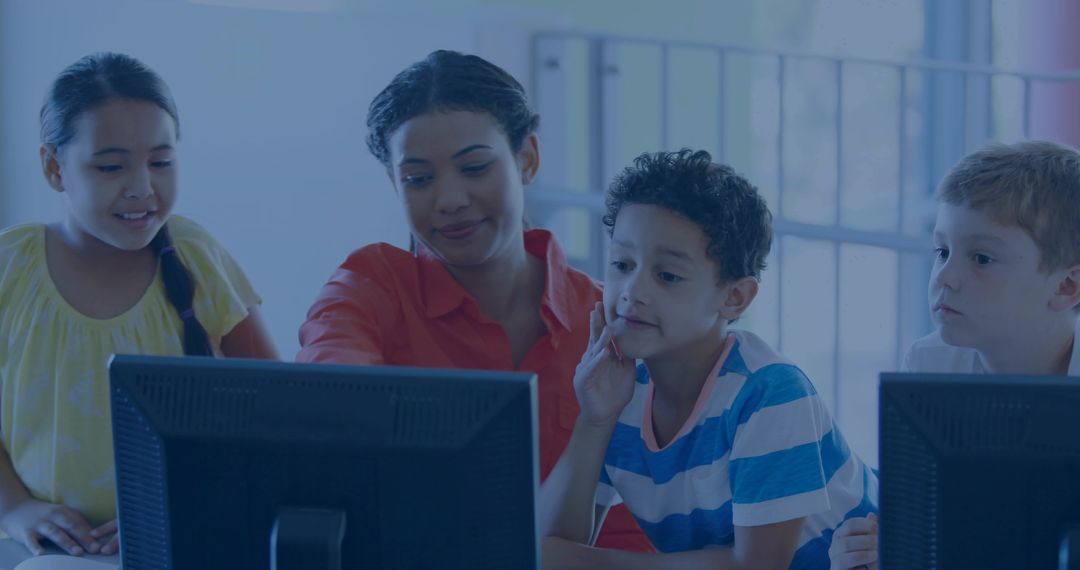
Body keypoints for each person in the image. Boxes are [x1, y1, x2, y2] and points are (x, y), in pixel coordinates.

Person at [297, 49, 652, 551]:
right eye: (418, 179)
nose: (449, 199)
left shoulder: (611, 320)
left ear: (526, 159)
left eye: (475, 168)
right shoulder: (369, 287)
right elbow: (329, 400)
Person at [540, 149, 877, 569]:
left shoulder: (769, 392)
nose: (631, 290)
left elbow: (757, 567)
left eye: (667, 275)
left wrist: (592, 565)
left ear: (734, 297)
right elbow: (539, 548)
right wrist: (594, 421)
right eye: (622, 264)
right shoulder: (620, 390)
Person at [0, 52, 278, 557]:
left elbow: (275, 412)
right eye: (111, 166)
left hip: (185, 536)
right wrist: (14, 508)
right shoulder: (10, 267)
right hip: (39, 551)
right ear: (52, 166)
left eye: (161, 162)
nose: (142, 188)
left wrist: (189, 508)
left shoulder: (197, 256)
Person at [829, 140, 1080, 570]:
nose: (945, 277)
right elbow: (921, 525)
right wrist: (876, 553)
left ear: (1065, 287)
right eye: (941, 251)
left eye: (981, 258)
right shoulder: (931, 364)